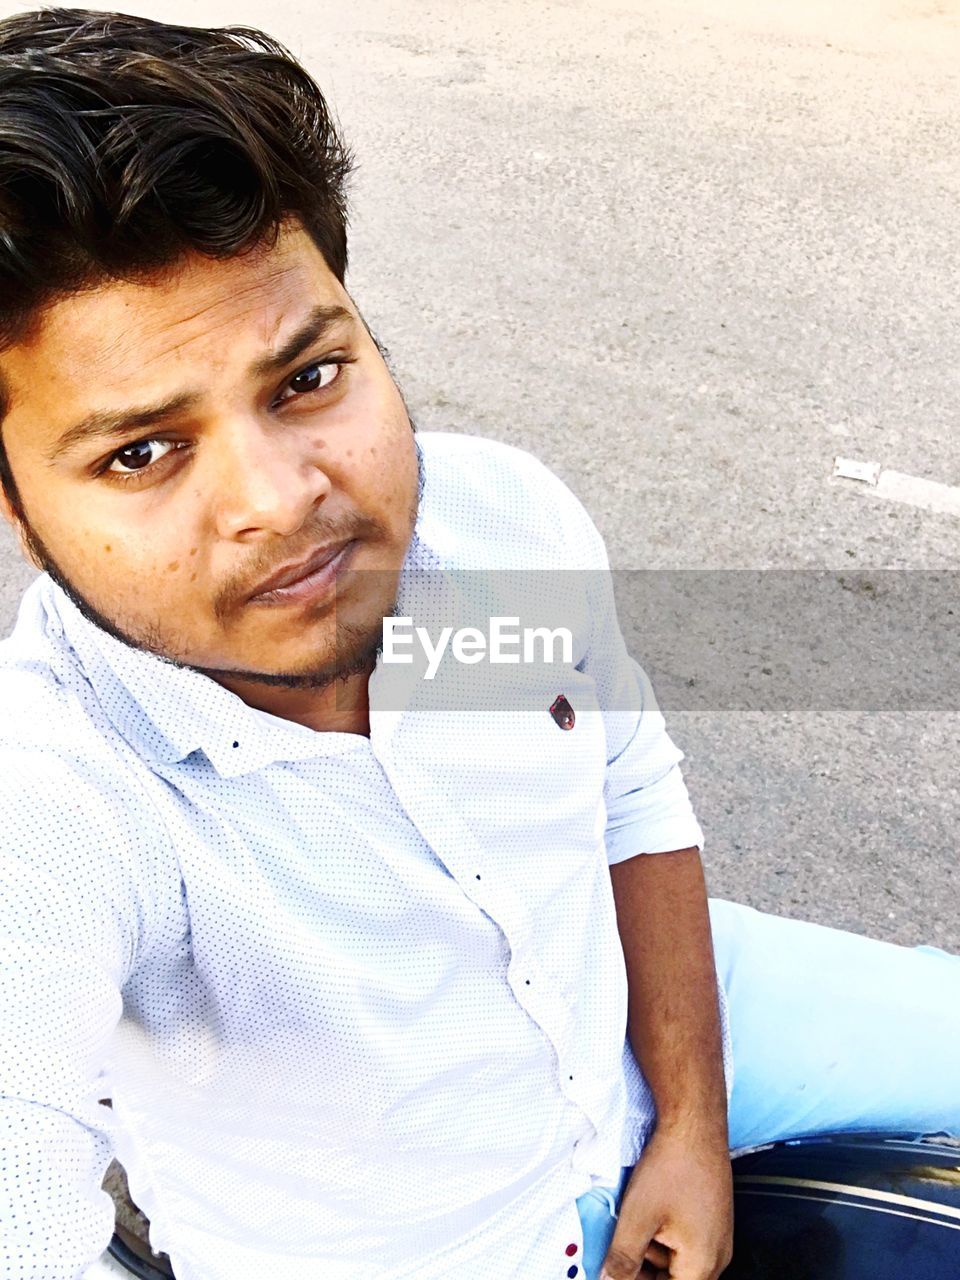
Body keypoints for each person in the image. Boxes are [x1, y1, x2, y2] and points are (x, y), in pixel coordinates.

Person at [0, 10, 956, 1280]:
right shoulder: (66, 797)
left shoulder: (493, 527)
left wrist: (689, 1115)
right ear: (17, 505)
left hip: (640, 1015)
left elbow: (625, 785)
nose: (284, 500)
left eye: (307, 379)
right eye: (142, 451)